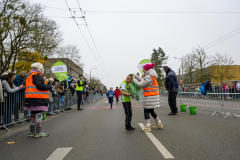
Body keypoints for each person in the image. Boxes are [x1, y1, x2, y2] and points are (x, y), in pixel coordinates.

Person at [24, 62, 52, 138]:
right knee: (38, 115)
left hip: (30, 98)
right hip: (38, 98)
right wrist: (49, 86)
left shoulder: (30, 76)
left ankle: (32, 131)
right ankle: (38, 131)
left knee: (33, 115)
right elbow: (40, 86)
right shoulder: (38, 76)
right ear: (40, 69)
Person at [133, 63, 163, 132]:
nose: (143, 71)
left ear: (146, 69)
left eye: (143, 69)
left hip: (149, 97)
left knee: (146, 110)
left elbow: (140, 85)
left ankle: (147, 126)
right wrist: (137, 77)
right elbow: (144, 81)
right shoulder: (152, 76)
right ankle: (159, 123)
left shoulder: (148, 77)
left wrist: (134, 80)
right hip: (153, 96)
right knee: (151, 110)